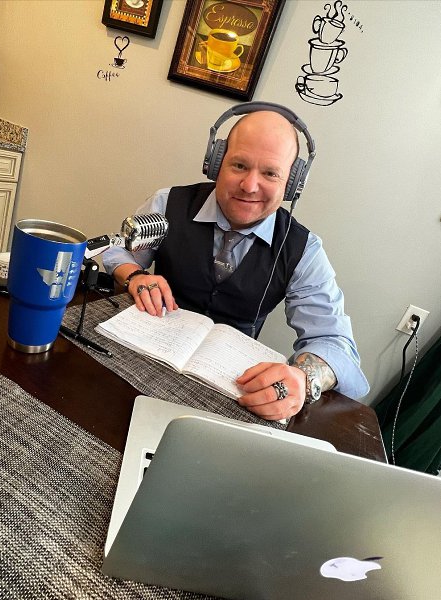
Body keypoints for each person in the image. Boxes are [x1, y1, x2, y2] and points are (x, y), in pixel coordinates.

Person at [103, 104, 369, 420]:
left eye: (270, 173)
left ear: (292, 183)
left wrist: (304, 378)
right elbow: (116, 249)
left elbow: (337, 346)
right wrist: (135, 275)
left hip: (227, 390)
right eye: (239, 165)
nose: (250, 186)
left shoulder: (304, 250)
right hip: (141, 354)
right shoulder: (167, 203)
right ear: (216, 163)